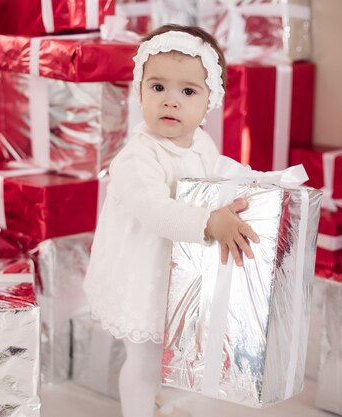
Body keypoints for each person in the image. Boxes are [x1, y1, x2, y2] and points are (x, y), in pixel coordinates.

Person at [83, 24, 260, 417]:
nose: (171, 102)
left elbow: (215, 188)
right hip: (142, 273)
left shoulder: (203, 145)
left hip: (178, 274)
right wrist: (210, 224)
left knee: (177, 350)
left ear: (210, 101)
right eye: (158, 87)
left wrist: (239, 201)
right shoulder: (137, 156)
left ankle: (161, 402)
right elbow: (154, 209)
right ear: (140, 90)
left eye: (188, 91)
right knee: (144, 362)